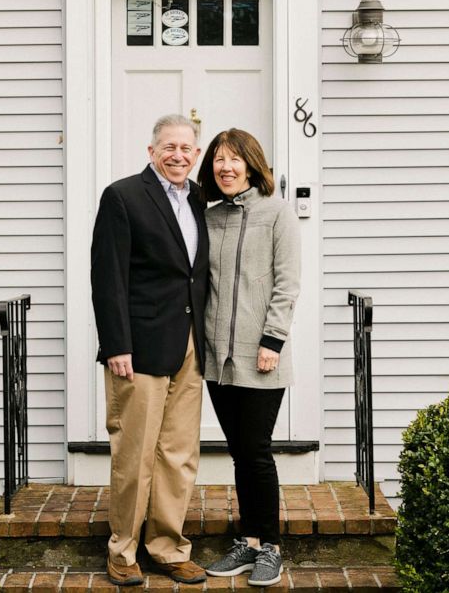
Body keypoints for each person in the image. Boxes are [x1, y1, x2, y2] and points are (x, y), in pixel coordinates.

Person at [90, 114, 209, 586]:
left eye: (187, 148)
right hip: (137, 349)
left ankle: (168, 547)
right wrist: (116, 344)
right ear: (151, 150)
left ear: (196, 155)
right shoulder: (122, 197)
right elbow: (108, 277)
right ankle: (123, 550)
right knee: (135, 454)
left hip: (189, 345)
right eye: (169, 147)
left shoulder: (201, 198)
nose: (178, 155)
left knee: (178, 455)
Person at [196, 128, 301, 587]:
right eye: (219, 159)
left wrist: (272, 341)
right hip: (218, 359)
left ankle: (271, 548)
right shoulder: (207, 216)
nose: (226, 167)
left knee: (257, 452)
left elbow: (287, 282)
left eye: (235, 158)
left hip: (261, 355)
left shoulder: (277, 213)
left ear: (252, 164)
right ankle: (249, 542)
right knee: (239, 453)